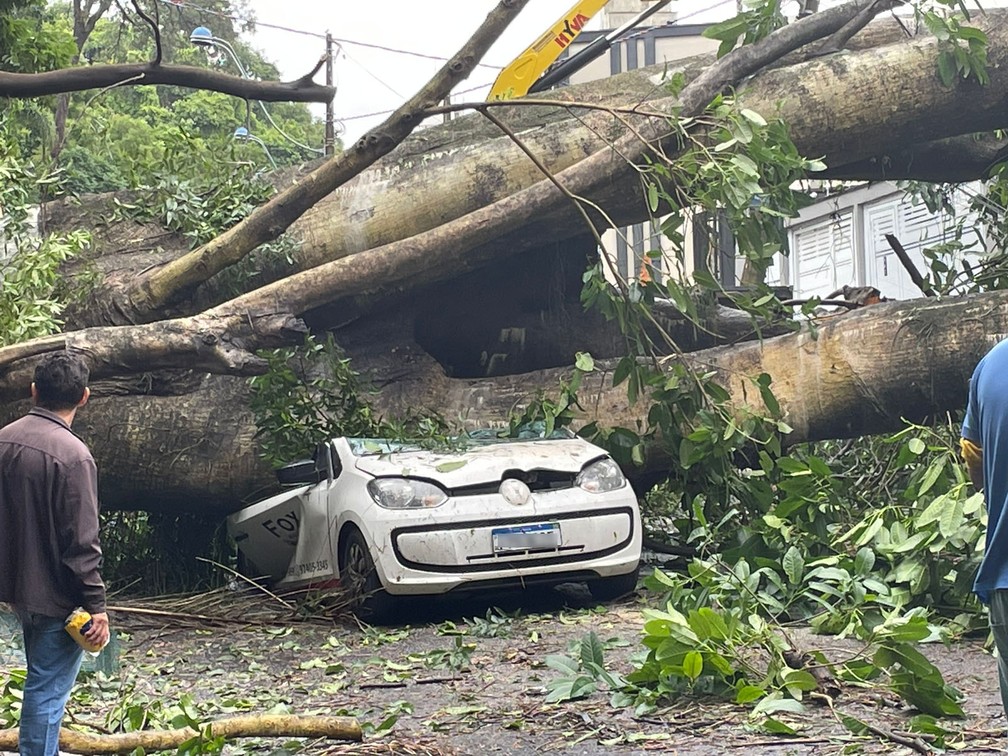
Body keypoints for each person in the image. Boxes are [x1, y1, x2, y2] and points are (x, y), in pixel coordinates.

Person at [0, 351, 109, 756]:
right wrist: (96, 605)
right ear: (84, 397)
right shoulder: (74, 456)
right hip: (54, 596)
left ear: (33, 391)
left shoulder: (3, 439)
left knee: (40, 685)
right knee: (46, 693)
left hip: (12, 587)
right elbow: (81, 542)